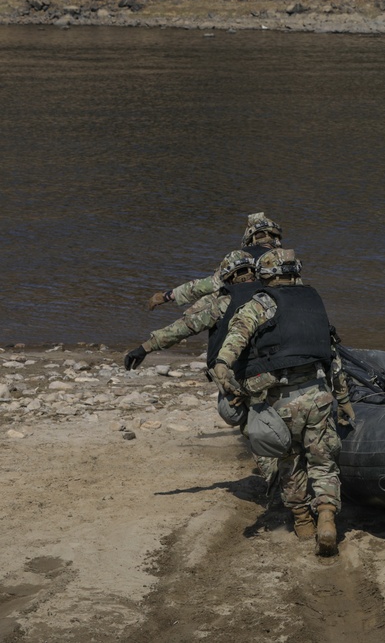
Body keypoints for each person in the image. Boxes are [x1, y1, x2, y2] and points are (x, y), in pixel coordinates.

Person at [210, 248, 346, 556]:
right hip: (319, 395)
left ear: (265, 275)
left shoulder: (262, 303)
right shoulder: (313, 301)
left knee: (289, 461)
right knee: (323, 461)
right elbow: (332, 353)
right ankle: (326, 516)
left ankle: (302, 522)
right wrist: (344, 397)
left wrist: (222, 363)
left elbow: (238, 333)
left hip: (282, 401)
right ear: (295, 271)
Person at [124, 249, 281, 486]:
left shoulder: (222, 303)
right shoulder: (275, 296)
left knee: (245, 419)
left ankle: (274, 478)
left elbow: (184, 327)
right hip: (278, 368)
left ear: (228, 276)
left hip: (241, 375)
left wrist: (144, 348)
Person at [146, 212, 283, 311]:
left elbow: (207, 285)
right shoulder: (286, 259)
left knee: (210, 300)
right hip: (280, 312)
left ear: (250, 236)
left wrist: (167, 296)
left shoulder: (240, 257)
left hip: (246, 313)